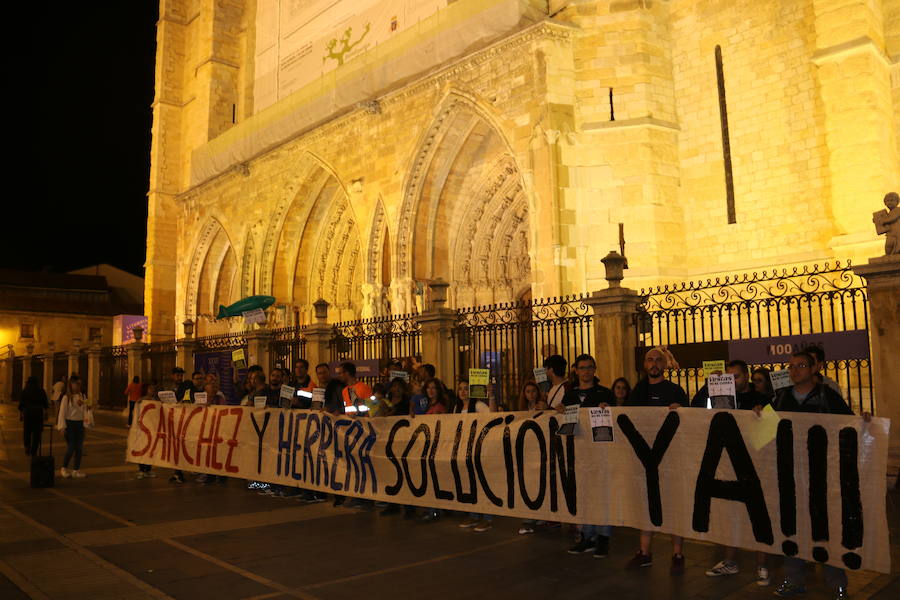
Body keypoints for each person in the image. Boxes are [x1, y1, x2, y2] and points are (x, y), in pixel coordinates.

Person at [771, 351, 863, 599]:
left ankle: (837, 582)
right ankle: (793, 578)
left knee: (827, 526)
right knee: (793, 526)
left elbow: (849, 426)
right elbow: (761, 434)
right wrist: (758, 415)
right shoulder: (781, 397)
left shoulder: (827, 396)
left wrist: (864, 423)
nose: (795, 371)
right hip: (791, 473)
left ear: (814, 368)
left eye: (801, 365)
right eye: (791, 367)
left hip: (822, 474)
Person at [700, 360, 770, 585]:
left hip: (756, 463)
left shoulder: (760, 398)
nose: (732, 382)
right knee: (731, 512)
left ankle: (762, 565)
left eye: (736, 377)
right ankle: (730, 561)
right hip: (729, 462)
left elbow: (772, 431)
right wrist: (711, 385)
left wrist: (761, 417)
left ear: (747, 376)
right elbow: (697, 408)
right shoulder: (722, 395)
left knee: (759, 513)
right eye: (728, 378)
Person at [625, 347, 689, 573]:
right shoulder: (637, 392)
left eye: (658, 360)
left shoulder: (675, 391)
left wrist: (681, 411)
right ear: (644, 365)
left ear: (665, 364)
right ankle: (644, 552)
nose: (654, 364)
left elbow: (690, 420)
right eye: (650, 360)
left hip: (671, 458)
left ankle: (678, 553)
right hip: (644, 459)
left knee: (674, 504)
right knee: (645, 504)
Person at [562, 354, 615, 558]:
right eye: (582, 367)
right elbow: (565, 427)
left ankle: (603, 538)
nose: (586, 371)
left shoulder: (605, 394)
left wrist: (609, 411)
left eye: (589, 367)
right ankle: (586, 536)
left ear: (595, 369)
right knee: (583, 495)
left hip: (602, 455)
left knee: (602, 495)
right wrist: (559, 412)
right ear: (576, 370)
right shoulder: (569, 397)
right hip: (578, 454)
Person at [455, 379, 494, 532]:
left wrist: (491, 396)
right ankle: (474, 514)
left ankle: (487, 517)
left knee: (481, 482)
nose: (463, 391)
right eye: (460, 389)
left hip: (479, 449)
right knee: (469, 482)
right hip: (464, 449)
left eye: (466, 388)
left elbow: (492, 416)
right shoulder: (457, 408)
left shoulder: (478, 405)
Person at [419, 377, 449, 523]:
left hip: (436, 447)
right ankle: (434, 508)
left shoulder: (440, 407)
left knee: (433, 478)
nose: (430, 391)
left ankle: (434, 510)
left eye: (433, 388)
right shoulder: (426, 405)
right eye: (428, 388)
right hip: (427, 446)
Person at [57, 376, 90, 479]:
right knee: (71, 448)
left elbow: (86, 408)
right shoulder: (66, 397)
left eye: (80, 384)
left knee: (79, 448)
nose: (78, 386)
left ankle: (76, 470)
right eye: (76, 384)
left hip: (80, 424)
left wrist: (88, 408)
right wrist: (62, 427)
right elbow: (62, 413)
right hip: (70, 424)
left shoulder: (83, 396)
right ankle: (64, 468)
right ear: (71, 385)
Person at [19, 376, 48, 456]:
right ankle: (34, 450)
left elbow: (21, 403)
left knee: (27, 431)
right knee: (37, 432)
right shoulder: (41, 391)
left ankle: (27, 446)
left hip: (27, 412)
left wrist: (21, 414)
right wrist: (45, 412)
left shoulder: (25, 390)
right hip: (38, 413)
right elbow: (45, 403)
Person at [136, 383, 158, 479]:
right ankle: (141, 469)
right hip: (142, 429)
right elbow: (137, 414)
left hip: (151, 429)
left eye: (153, 389)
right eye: (150, 388)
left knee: (150, 450)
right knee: (142, 449)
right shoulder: (141, 401)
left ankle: (148, 469)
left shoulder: (155, 401)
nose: (152, 390)